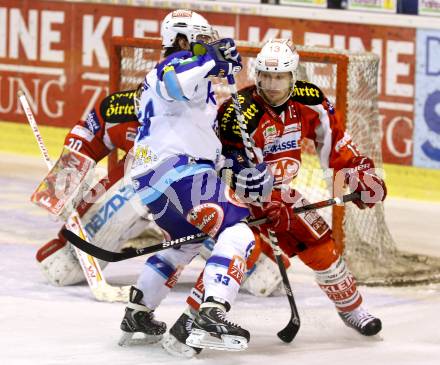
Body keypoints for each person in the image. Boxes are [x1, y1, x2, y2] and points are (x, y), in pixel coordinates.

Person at [163, 39, 386, 357]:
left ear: (293, 76)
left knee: (320, 241)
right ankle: (189, 324)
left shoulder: (311, 101)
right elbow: (224, 168)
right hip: (241, 199)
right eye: (265, 76)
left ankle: (353, 310)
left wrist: (358, 175)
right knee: (240, 252)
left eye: (279, 77)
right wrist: (259, 198)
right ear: (257, 74)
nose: (272, 84)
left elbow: (334, 143)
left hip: (283, 195)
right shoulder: (238, 113)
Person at [118, 9, 268, 351]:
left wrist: (230, 162)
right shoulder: (175, 64)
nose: (206, 47)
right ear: (181, 40)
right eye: (201, 42)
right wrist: (210, 60)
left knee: (186, 243)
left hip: (155, 177)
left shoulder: (184, 79)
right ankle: (211, 313)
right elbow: (175, 82)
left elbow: (196, 130)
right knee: (238, 231)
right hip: (176, 171)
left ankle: (139, 313)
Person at [34, 89, 163, 287]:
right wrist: (65, 182)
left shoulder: (208, 115)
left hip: (198, 187)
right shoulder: (120, 109)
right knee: (63, 266)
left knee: (222, 243)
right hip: (148, 170)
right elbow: (86, 140)